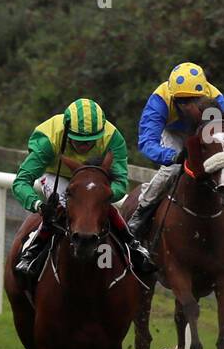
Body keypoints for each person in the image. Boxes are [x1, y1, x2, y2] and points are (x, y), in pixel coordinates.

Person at [11, 98, 154, 281]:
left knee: (98, 205)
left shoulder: (113, 138)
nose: (84, 146)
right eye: (78, 141)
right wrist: (38, 205)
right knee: (61, 208)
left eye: (90, 142)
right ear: (67, 130)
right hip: (58, 176)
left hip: (93, 180)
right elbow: (21, 181)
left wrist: (104, 195)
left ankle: (133, 246)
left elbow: (120, 182)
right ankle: (32, 252)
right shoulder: (48, 138)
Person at [126, 62, 224, 240]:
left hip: (204, 131)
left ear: (204, 94)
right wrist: (172, 156)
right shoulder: (159, 100)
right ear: (172, 97)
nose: (186, 106)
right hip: (173, 132)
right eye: (181, 101)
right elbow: (147, 142)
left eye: (193, 100)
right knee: (173, 169)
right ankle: (142, 211)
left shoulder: (217, 98)